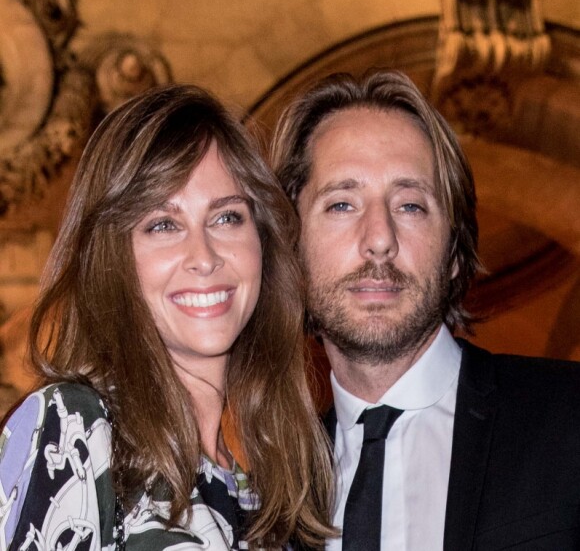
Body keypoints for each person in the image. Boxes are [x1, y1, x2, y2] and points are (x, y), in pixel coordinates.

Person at [0, 84, 336, 550]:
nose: (204, 256)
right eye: (163, 224)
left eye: (227, 218)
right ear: (112, 258)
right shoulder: (74, 429)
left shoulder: (274, 494)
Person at [270, 70, 580, 550]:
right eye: (341, 205)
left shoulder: (567, 419)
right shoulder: (274, 498)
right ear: (293, 250)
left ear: (455, 253)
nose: (379, 239)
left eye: (410, 206)